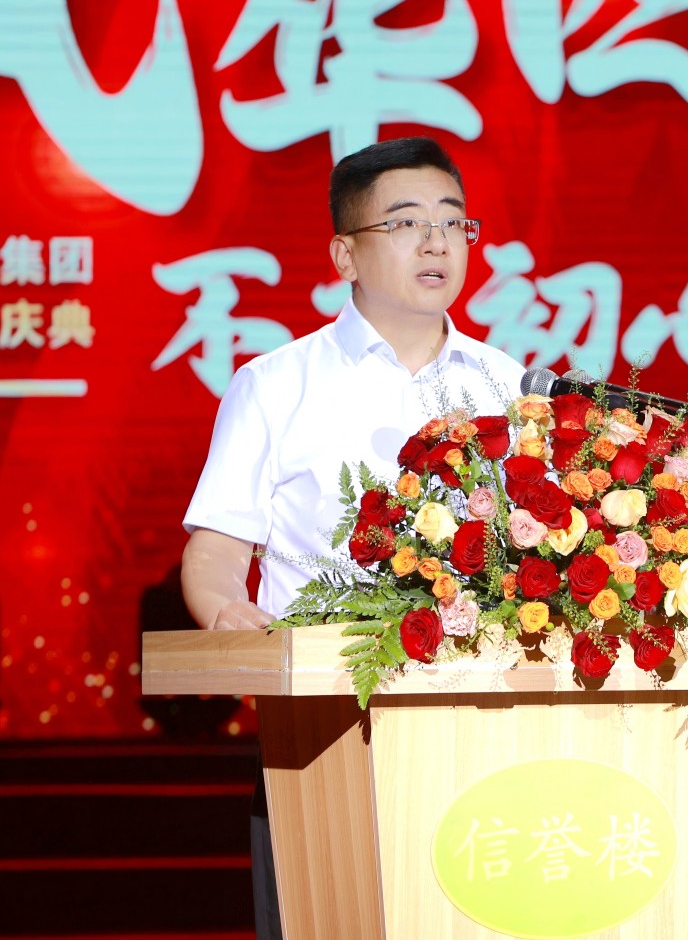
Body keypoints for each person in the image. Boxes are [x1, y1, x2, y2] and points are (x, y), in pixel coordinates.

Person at [177, 136, 524, 937]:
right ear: (345, 254)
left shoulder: (506, 384)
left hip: (482, 727)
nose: (436, 242)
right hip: (323, 729)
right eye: (405, 223)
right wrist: (228, 613)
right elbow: (217, 550)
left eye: (453, 222)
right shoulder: (276, 383)